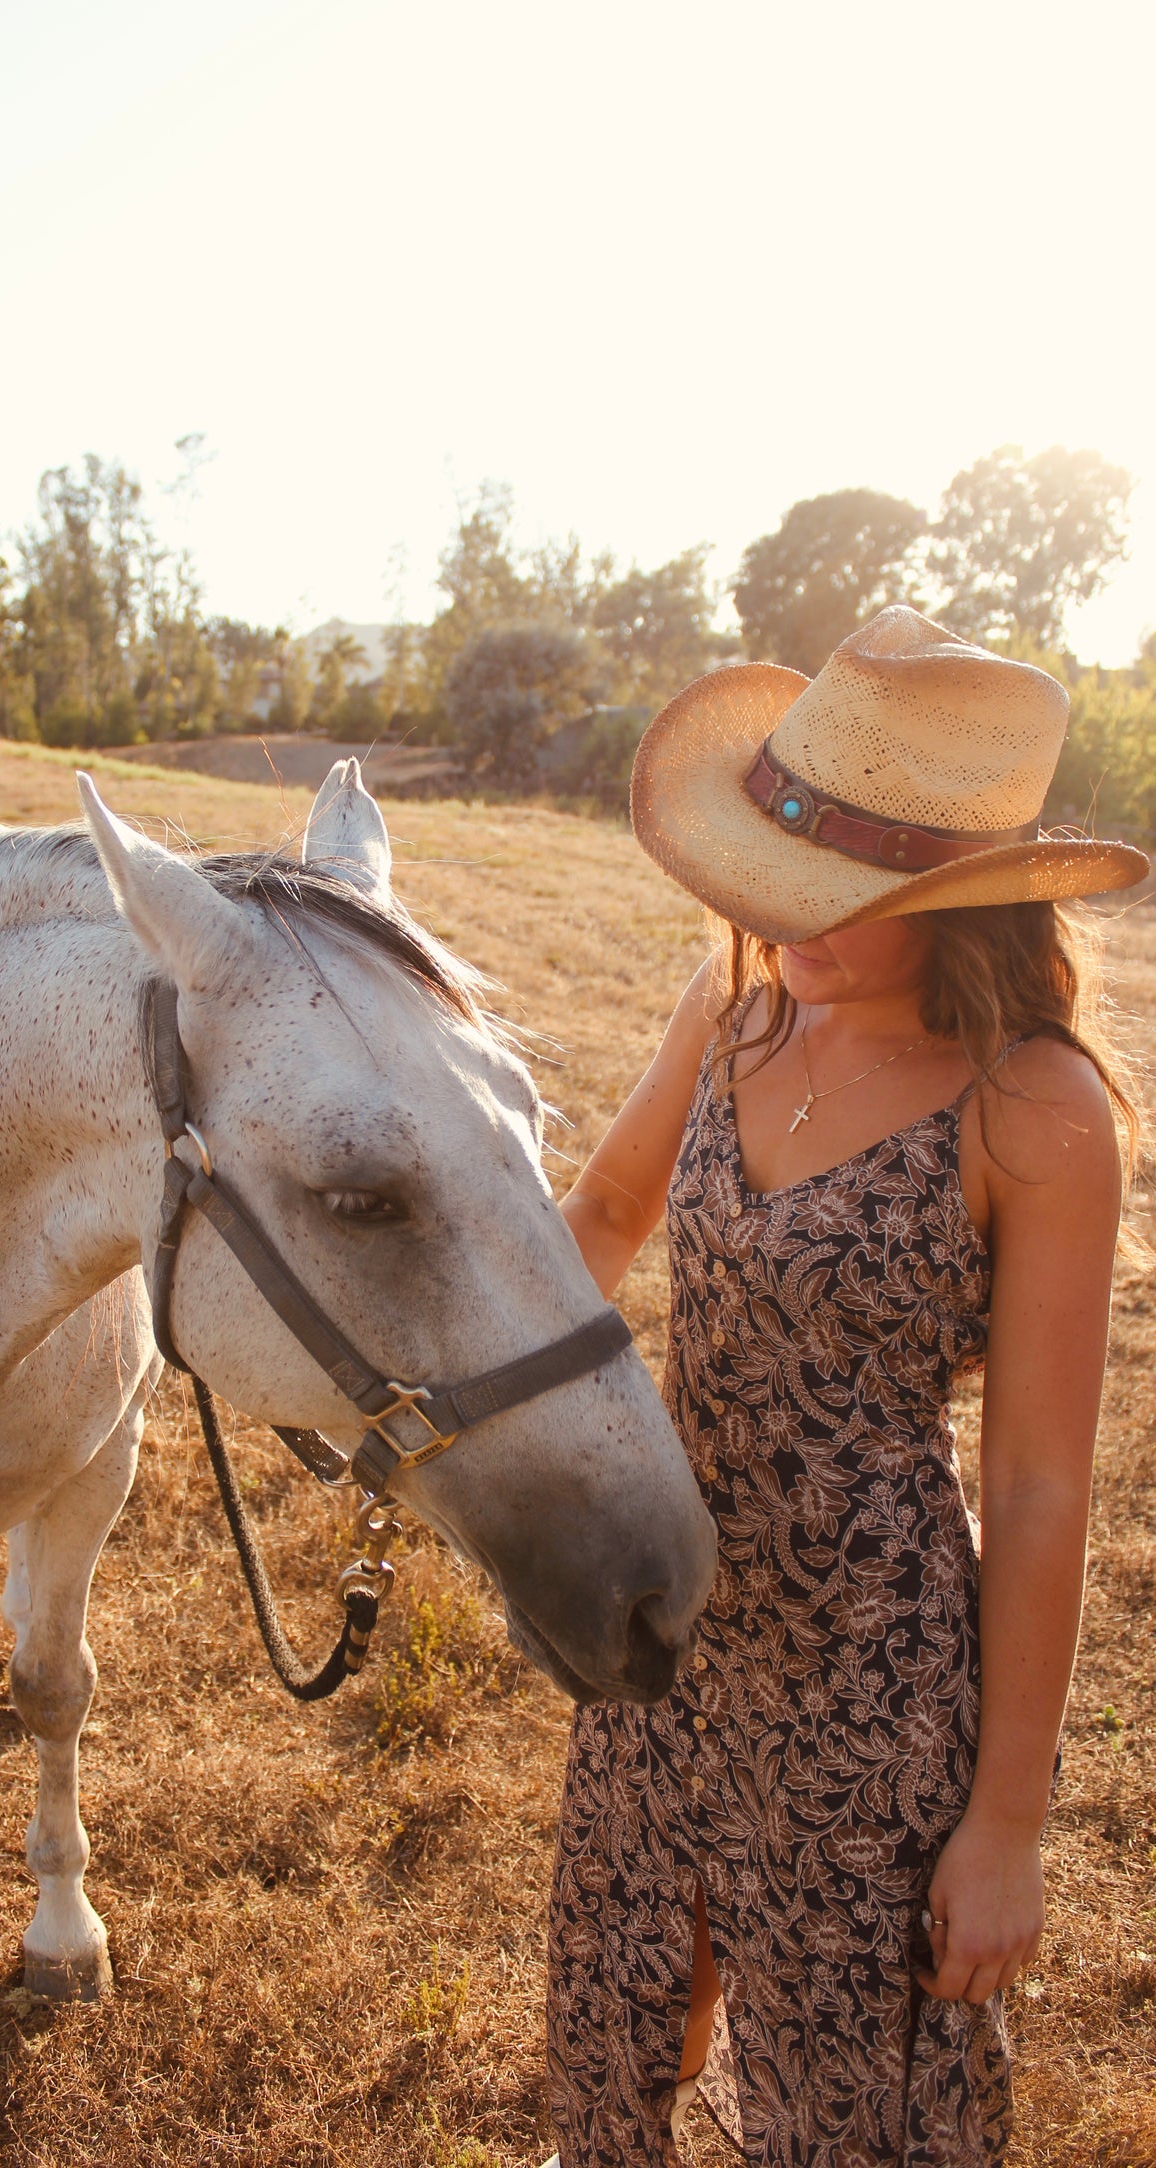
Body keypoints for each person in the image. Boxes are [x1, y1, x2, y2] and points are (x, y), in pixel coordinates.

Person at [542, 608, 1148, 2167]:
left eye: (846, 894)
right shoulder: (734, 1004)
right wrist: (452, 1385)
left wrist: (1006, 1821)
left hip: (863, 1679)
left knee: (843, 2099)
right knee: (630, 2011)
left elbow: (1033, 1488)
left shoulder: (1036, 1105)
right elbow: (603, 1215)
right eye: (774, 868)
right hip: (663, 1614)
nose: (786, 916)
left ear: (965, 901)